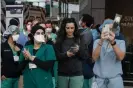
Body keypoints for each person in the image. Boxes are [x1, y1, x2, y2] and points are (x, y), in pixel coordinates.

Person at [92, 19, 126, 88]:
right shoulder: (97, 41)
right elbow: (94, 58)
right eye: (107, 28)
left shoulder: (120, 42)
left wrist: (113, 42)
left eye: (111, 29)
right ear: (103, 29)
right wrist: (101, 41)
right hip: (99, 80)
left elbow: (120, 57)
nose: (109, 31)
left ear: (115, 30)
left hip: (115, 81)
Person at [55, 18, 84, 88]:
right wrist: (66, 54)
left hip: (77, 74)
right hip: (62, 74)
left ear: (75, 28)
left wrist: (79, 51)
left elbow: (85, 56)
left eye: (72, 28)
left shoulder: (80, 39)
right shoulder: (59, 40)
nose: (70, 30)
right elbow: (57, 56)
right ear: (64, 28)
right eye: (67, 28)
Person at [79, 14, 94, 88]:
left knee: (85, 83)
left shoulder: (87, 33)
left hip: (84, 62)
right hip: (84, 62)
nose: (80, 21)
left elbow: (83, 47)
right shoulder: (84, 32)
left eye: (81, 19)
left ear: (84, 22)